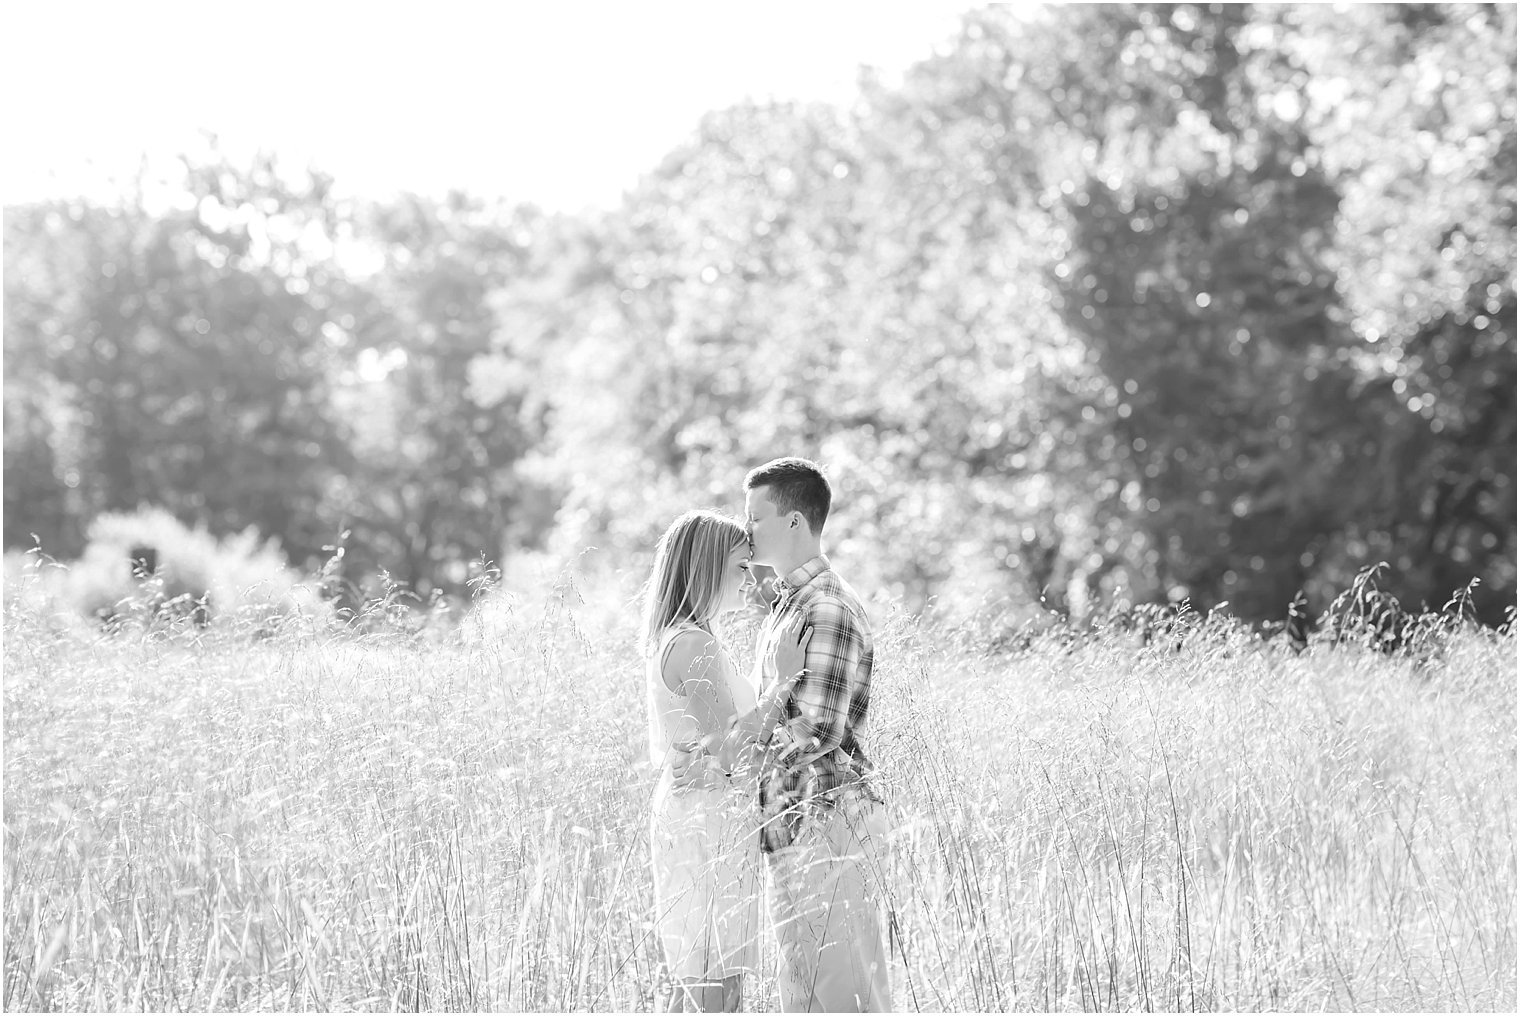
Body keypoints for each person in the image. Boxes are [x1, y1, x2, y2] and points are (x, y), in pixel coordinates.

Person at [644, 509, 810, 1012]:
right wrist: (784, 682)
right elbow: (733, 750)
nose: (750, 579)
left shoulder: (688, 636)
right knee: (712, 988)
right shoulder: (693, 644)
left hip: (705, 813)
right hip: (704, 820)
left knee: (708, 984)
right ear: (707, 567)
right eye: (740, 567)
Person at [743, 457, 893, 1013]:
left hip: (827, 817)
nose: (746, 529)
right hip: (795, 819)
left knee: (842, 992)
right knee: (803, 988)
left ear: (794, 524)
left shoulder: (824, 607)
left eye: (755, 516)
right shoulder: (790, 605)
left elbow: (816, 731)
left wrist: (739, 746)